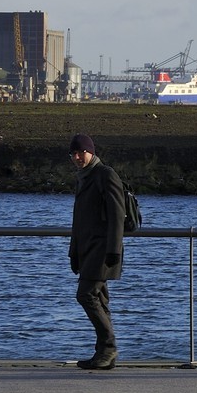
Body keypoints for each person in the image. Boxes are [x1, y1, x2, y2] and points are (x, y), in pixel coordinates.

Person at [67, 133, 126, 370]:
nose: (78, 157)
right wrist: (74, 253)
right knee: (99, 298)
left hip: (103, 250)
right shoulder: (84, 177)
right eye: (73, 153)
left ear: (91, 152)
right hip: (89, 250)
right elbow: (79, 221)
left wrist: (113, 250)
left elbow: (116, 215)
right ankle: (104, 354)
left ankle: (109, 348)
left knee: (86, 295)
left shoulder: (105, 174)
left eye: (81, 152)